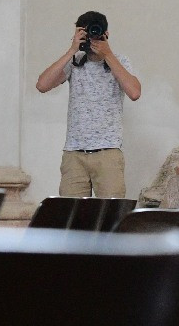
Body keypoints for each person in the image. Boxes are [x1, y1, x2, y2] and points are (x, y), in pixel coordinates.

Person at [34, 10, 141, 197]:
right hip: (74, 153)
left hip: (108, 152)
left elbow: (134, 92)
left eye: (95, 32)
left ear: (106, 34)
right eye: (86, 33)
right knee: (71, 212)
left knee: (110, 211)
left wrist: (108, 54)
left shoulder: (120, 61)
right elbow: (42, 85)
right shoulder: (74, 62)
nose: (92, 38)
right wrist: (72, 50)